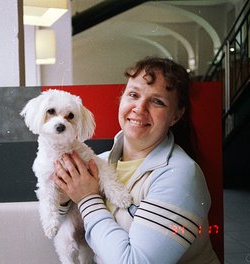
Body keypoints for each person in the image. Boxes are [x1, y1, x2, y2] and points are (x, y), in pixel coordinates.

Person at [53, 57, 220, 263]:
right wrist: (63, 199)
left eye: (157, 101)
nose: (140, 108)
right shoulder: (101, 162)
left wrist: (88, 199)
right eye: (133, 94)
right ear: (122, 98)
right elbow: (63, 226)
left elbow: (134, 261)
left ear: (176, 116)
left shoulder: (181, 175)